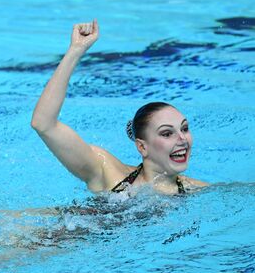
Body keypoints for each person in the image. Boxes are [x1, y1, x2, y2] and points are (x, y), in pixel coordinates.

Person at [31, 19, 207, 195]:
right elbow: (43, 123)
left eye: (184, 128)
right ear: (142, 147)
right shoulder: (108, 173)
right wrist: (76, 50)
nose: (182, 139)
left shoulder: (198, 191)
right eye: (167, 133)